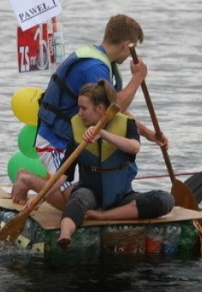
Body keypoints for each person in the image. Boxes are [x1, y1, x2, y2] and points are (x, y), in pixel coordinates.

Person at [11, 14, 166, 206]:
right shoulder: (94, 67)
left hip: (77, 137)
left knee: (90, 197)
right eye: (131, 50)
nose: (128, 58)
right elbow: (113, 108)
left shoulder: (101, 61)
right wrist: (137, 78)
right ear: (127, 45)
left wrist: (149, 134)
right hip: (56, 140)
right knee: (72, 202)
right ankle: (26, 179)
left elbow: (116, 113)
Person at [56, 79, 174, 249]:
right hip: (90, 193)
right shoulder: (76, 127)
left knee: (165, 199)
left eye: (83, 108)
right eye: (79, 108)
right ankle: (65, 235)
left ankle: (103, 216)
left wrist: (102, 133)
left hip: (121, 196)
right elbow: (64, 174)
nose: (79, 113)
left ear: (100, 109)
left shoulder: (127, 124)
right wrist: (40, 197)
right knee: (78, 199)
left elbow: (134, 147)